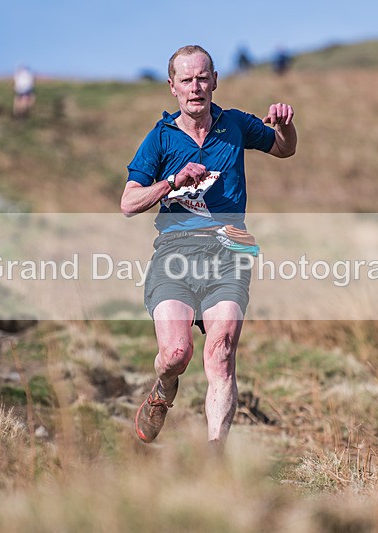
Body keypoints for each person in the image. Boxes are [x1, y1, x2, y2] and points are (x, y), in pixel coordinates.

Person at [121, 45, 297, 452]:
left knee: (221, 353)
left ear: (215, 81)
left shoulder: (234, 124)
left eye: (202, 78)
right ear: (173, 87)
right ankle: (162, 388)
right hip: (175, 254)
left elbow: (284, 148)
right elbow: (128, 203)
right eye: (186, 80)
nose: (195, 87)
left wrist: (286, 126)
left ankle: (215, 455)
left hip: (230, 252)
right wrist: (172, 182)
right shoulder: (160, 138)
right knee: (176, 354)